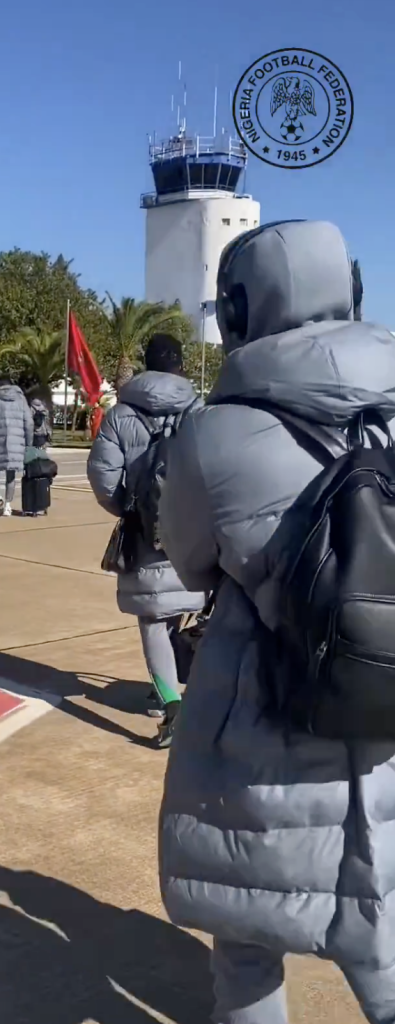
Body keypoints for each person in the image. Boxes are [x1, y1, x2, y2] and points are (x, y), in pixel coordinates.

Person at [157, 219, 395, 1024]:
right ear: (352, 289)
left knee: (248, 942)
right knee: (384, 940)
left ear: (237, 311)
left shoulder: (211, 432)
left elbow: (190, 562)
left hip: (262, 721)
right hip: (389, 714)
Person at [87, 334, 205, 747]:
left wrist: (130, 507)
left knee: (154, 617)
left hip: (145, 532)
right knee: (177, 606)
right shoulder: (200, 410)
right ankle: (169, 690)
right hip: (193, 529)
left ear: (146, 362)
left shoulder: (121, 414)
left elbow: (103, 476)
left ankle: (172, 705)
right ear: (180, 364)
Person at [0, 380, 33, 516]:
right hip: (17, 442)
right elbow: (29, 423)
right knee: (11, 475)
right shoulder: (21, 400)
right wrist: (29, 444)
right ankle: (8, 506)